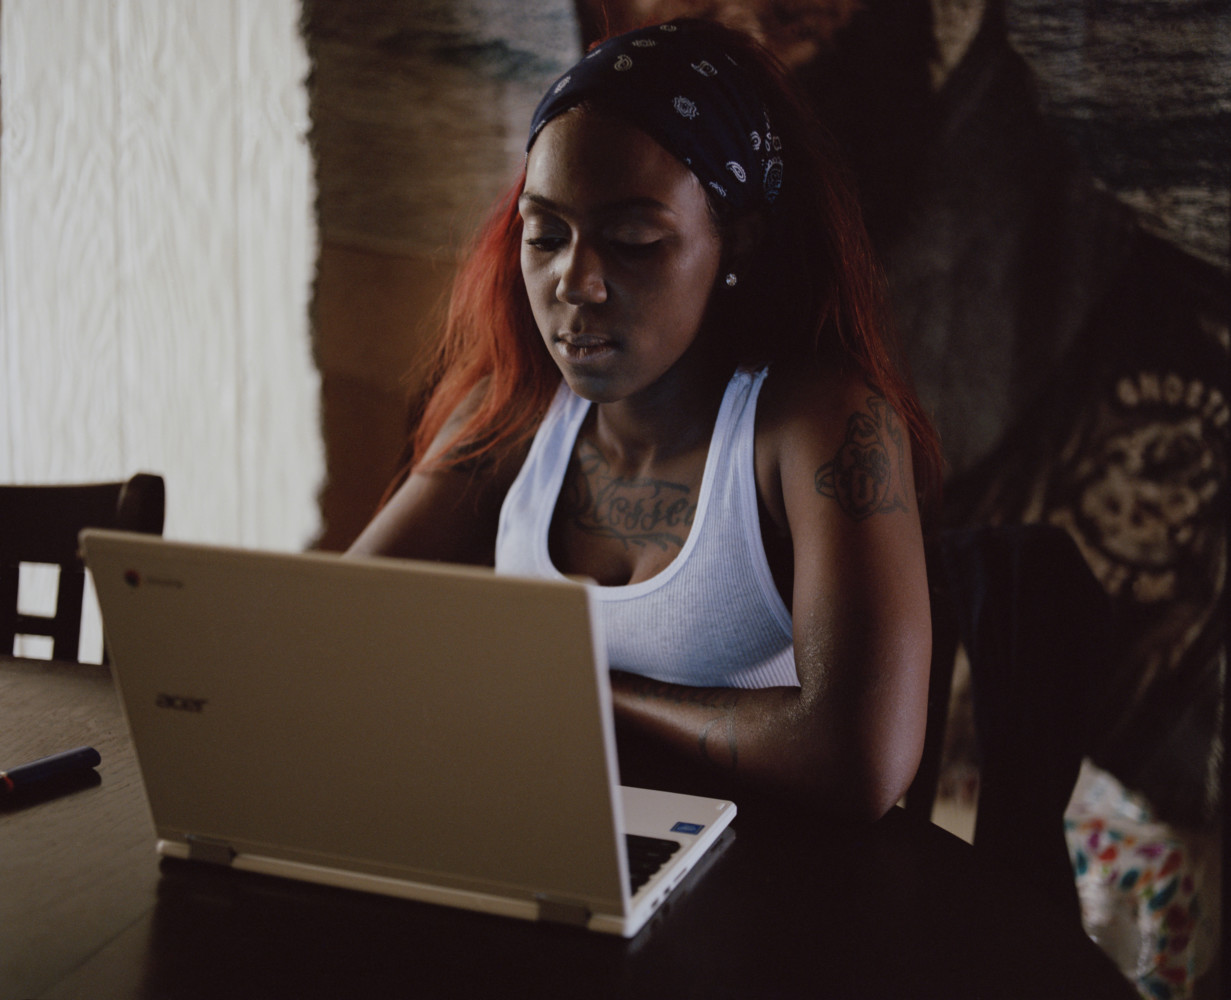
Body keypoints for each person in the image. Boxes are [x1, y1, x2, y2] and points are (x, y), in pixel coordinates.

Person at [349, 17, 943, 821]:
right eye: (544, 235)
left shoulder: (815, 425)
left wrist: (590, 693)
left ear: (738, 243)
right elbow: (343, 631)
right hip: (559, 852)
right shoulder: (512, 410)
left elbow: (859, 758)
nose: (575, 282)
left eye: (632, 240)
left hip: (773, 886)